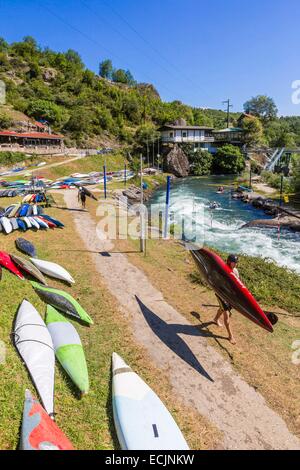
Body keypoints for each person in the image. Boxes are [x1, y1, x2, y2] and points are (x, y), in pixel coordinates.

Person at [213, 254, 239, 345]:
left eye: (236, 263)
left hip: (229, 296)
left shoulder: (235, 271)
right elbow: (216, 282)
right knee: (226, 314)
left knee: (223, 308)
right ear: (228, 262)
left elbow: (237, 284)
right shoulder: (222, 270)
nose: (235, 264)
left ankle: (215, 319)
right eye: (233, 263)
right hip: (221, 295)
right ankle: (230, 336)